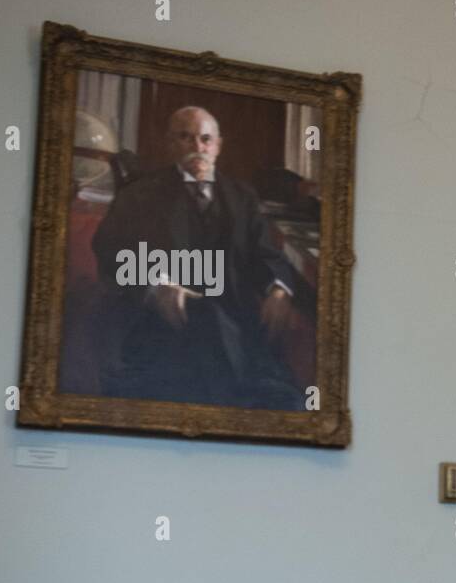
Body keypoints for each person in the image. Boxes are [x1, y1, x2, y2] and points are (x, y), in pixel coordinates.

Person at [91, 106, 304, 410]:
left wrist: (279, 288)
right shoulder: (140, 194)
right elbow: (109, 250)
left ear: (218, 146)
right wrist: (156, 285)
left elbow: (265, 253)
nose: (197, 148)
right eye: (186, 138)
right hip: (163, 325)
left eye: (206, 139)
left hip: (236, 320)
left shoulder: (241, 196)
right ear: (170, 144)